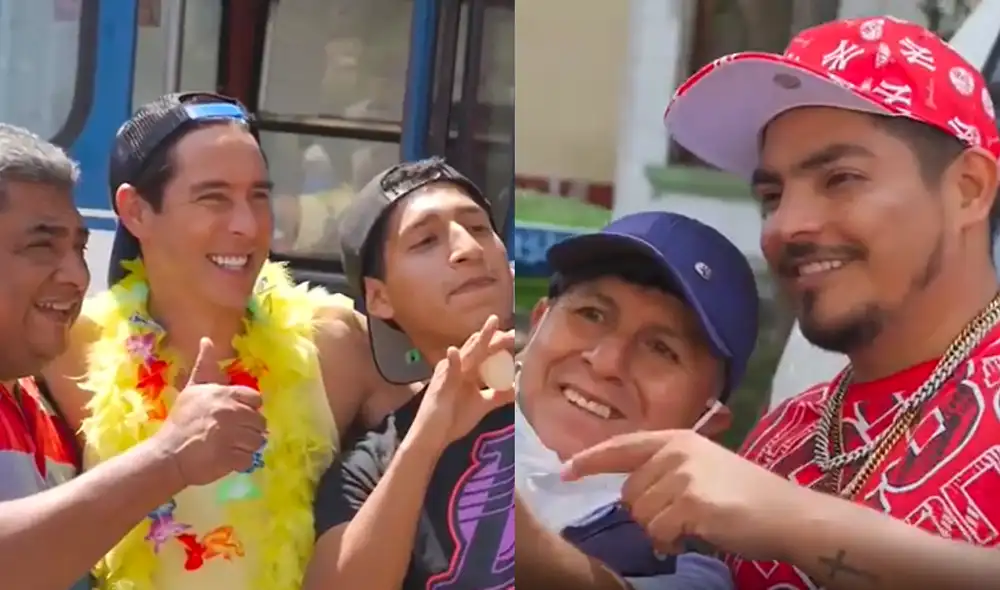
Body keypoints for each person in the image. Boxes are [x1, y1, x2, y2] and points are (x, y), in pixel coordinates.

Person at [561, 16, 1000, 590]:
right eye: (773, 195)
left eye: (841, 178)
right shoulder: (786, 432)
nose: (787, 226)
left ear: (967, 189)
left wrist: (795, 521)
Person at [42, 93, 413, 590]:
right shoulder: (69, 346)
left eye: (259, 196)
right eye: (213, 198)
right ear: (135, 211)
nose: (247, 225)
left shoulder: (334, 340)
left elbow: (457, 473)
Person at [0, 126, 268, 590]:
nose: (75, 275)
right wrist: (169, 457)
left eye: (78, 247)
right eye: (41, 246)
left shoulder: (41, 401)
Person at [514, 211, 760, 590]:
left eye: (662, 349)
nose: (607, 362)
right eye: (591, 314)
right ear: (538, 323)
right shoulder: (417, 428)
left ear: (707, 424)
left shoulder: (683, 570)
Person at [303, 157, 516, 589]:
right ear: (379, 298)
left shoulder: (573, 396)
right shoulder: (371, 465)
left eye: (478, 228)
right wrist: (425, 440)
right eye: (426, 241)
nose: (468, 249)